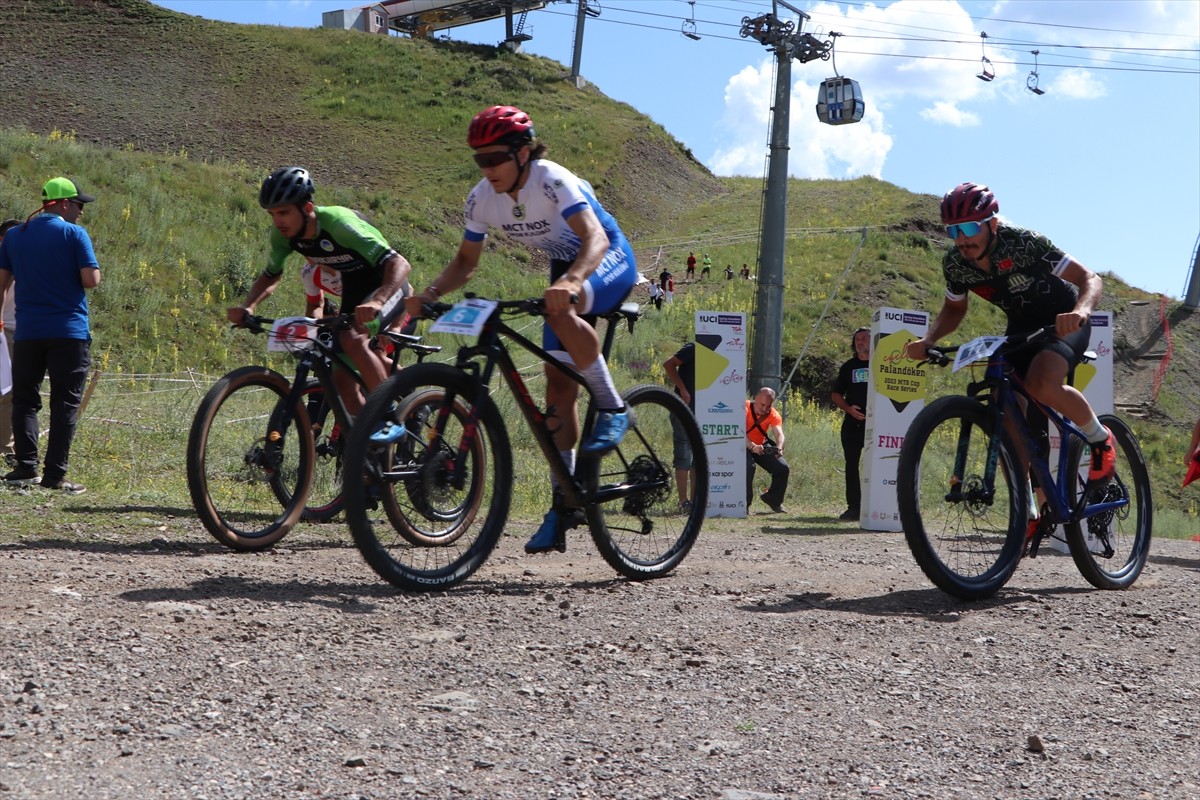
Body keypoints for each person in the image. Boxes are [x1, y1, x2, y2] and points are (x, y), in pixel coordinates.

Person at [405, 105, 639, 554]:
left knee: (560, 313)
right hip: (564, 267)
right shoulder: (481, 198)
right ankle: (564, 502)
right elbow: (466, 262)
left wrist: (572, 281)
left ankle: (613, 407)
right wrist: (430, 293)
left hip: (606, 256)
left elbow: (594, 238)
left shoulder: (551, 179)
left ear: (524, 153)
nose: (487, 168)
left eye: (495, 158)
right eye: (480, 159)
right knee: (557, 391)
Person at [903, 182, 1116, 531]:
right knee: (1006, 412)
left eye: (968, 228)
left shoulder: (1023, 243)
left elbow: (1089, 279)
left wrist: (1080, 311)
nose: (961, 239)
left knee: (1041, 383)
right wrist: (928, 339)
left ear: (992, 224)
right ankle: (1027, 506)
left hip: (1063, 320)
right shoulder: (955, 264)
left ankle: (1100, 438)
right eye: (953, 231)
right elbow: (954, 310)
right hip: (1019, 328)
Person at [227, 167, 412, 417]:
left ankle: (389, 417)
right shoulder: (283, 236)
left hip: (388, 283)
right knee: (342, 386)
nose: (278, 222)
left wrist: (379, 301)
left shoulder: (339, 224)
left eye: (284, 213)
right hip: (355, 287)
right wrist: (249, 306)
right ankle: (369, 438)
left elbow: (399, 264)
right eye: (272, 214)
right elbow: (271, 274)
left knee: (352, 338)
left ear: (307, 208)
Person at [0, 179, 102, 493]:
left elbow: (1, 283)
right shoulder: (74, 234)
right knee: (65, 404)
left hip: (28, 332)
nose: (81, 211)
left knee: (24, 400)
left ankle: (25, 467)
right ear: (63, 203)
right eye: (79, 204)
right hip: (68, 331)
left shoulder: (14, 236)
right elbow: (91, 280)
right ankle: (54, 475)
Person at [831, 327, 871, 521]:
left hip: (877, 425)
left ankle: (874, 505)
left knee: (876, 465)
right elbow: (836, 393)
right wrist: (848, 409)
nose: (860, 342)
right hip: (853, 424)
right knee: (852, 465)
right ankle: (854, 507)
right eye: (857, 339)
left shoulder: (882, 364)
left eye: (864, 338)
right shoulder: (849, 366)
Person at [663, 341, 697, 509]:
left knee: (698, 459)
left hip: (704, 413)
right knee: (684, 456)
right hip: (683, 411)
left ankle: (695, 502)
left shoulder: (718, 353)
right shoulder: (694, 348)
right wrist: (682, 389)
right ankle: (683, 501)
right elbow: (668, 364)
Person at [745, 386, 789, 513]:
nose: (765, 409)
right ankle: (744, 504)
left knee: (782, 468)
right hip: (743, 444)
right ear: (756, 399)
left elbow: (779, 434)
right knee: (748, 467)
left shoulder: (773, 414)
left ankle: (773, 500)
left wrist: (779, 447)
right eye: (762, 405)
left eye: (768, 406)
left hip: (761, 446)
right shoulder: (743, 408)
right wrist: (752, 446)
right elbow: (738, 432)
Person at [0, 219, 21, 466]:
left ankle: (8, 445)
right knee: (8, 391)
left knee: (12, 392)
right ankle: (6, 448)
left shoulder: (21, 259)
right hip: (6, 330)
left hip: (19, 329)